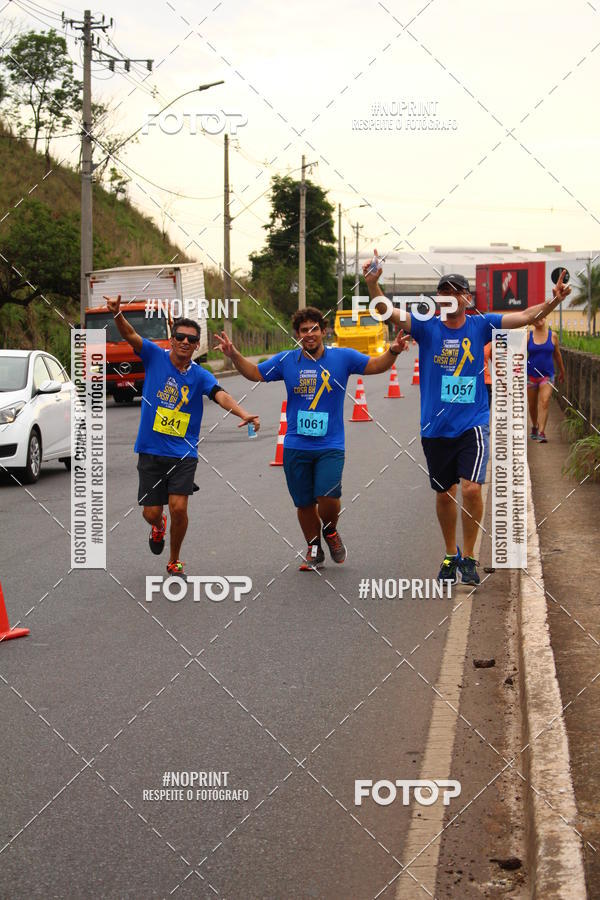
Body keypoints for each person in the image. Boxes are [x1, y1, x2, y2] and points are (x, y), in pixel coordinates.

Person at [364, 256, 571, 585]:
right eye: (442, 291)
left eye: (454, 291)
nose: (447, 296)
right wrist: (373, 284)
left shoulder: (481, 324)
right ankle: (450, 554)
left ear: (466, 298)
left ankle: (470, 557)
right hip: (435, 427)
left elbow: (527, 316)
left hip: (472, 423)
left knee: (472, 489)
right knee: (444, 493)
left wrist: (554, 300)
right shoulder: (426, 326)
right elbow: (387, 311)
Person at [214, 306, 408, 570]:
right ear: (297, 334)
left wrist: (393, 350)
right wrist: (234, 354)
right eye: (304, 330)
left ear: (323, 330)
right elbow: (255, 373)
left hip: (330, 444)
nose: (310, 334)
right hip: (296, 444)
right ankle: (314, 548)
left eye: (314, 328)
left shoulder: (343, 358)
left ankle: (330, 530)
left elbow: (376, 366)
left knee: (328, 496)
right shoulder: (287, 361)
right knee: (304, 503)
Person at [105, 295, 260, 581]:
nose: (186, 343)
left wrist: (243, 413)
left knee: (179, 507)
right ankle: (157, 525)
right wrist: (117, 315)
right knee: (151, 512)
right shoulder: (153, 356)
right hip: (150, 449)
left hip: (183, 452)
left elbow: (220, 395)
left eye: (191, 339)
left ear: (197, 345)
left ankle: (174, 560)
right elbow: (130, 334)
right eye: (181, 337)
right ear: (172, 339)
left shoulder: (200, 375)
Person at [527, 316, 565, 443]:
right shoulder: (528, 336)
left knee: (544, 401)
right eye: (535, 318)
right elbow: (518, 354)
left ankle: (542, 432)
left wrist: (562, 371)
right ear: (531, 321)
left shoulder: (553, 336)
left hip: (547, 375)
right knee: (532, 405)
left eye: (541, 316)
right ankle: (534, 426)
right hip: (531, 376)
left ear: (546, 317)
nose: (538, 319)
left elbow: (557, 355)